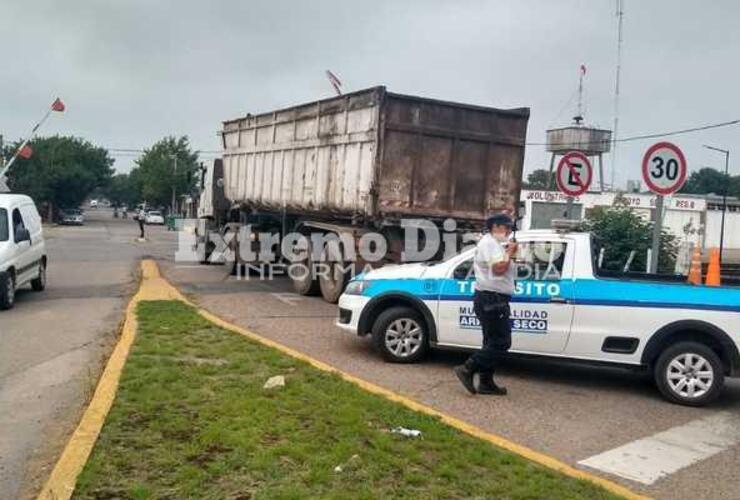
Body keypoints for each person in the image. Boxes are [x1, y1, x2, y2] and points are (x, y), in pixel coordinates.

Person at [454, 212, 518, 396]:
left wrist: (510, 254)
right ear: (496, 226)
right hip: (492, 299)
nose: (508, 231)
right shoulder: (489, 243)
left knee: (490, 342)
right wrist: (510, 253)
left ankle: (486, 382)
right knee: (501, 342)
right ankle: (467, 368)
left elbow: (503, 268)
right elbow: (498, 269)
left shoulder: (495, 244)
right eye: (506, 227)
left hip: (493, 298)